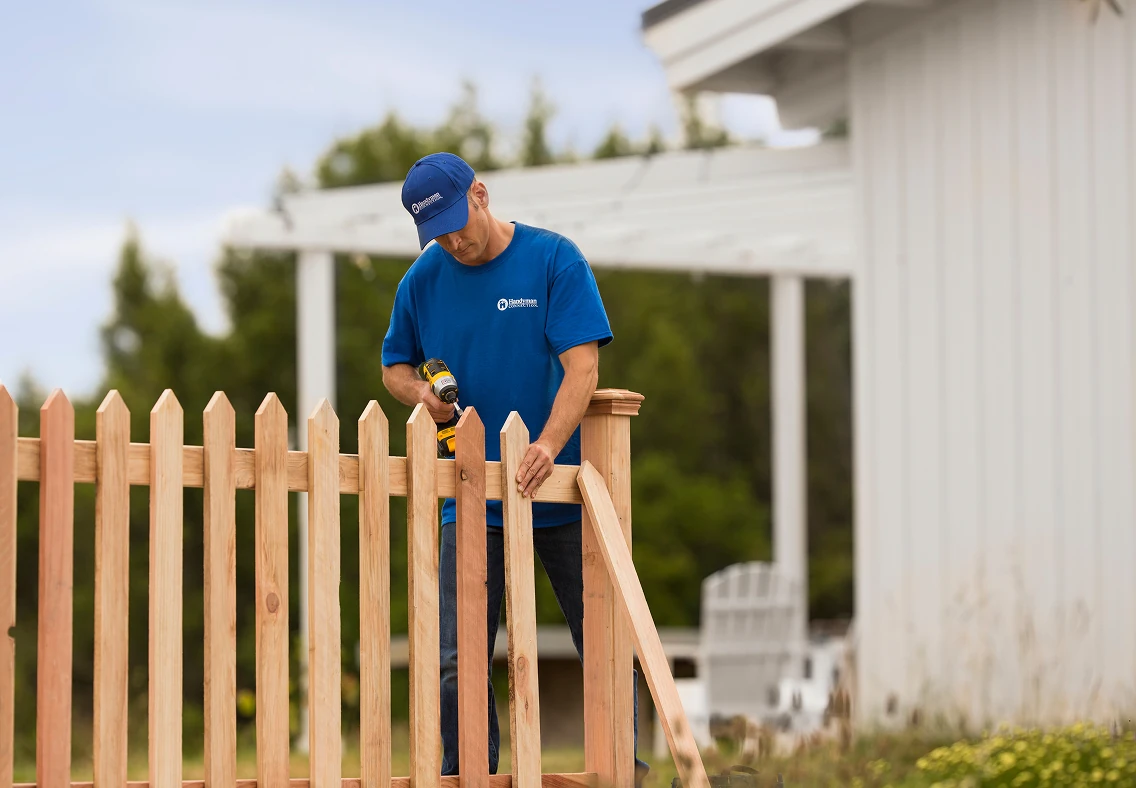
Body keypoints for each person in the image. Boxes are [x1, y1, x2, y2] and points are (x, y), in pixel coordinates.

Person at [380, 151, 647, 782]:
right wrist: (424, 395)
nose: (453, 241)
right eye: (436, 233)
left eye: (456, 223)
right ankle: (467, 773)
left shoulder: (553, 260)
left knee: (604, 644)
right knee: (457, 657)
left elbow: (584, 367)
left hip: (561, 489)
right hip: (469, 494)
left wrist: (549, 444)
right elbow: (393, 367)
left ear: (480, 193)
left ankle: (622, 772)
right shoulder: (421, 280)